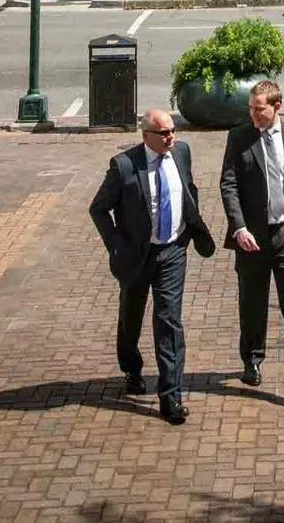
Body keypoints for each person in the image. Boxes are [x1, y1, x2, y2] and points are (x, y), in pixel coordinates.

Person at [89, 107, 216, 424]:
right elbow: (99, 209)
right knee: (131, 315)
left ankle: (171, 396)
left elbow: (189, 188)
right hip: (136, 255)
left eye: (172, 130)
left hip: (172, 251)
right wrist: (116, 246)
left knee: (168, 320)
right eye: (163, 133)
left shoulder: (182, 152)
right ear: (146, 135)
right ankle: (131, 367)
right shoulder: (124, 166)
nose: (171, 136)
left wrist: (187, 230)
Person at [220, 80, 284, 409]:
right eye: (250, 108)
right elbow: (229, 183)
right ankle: (252, 359)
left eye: (258, 108)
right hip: (252, 237)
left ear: (276, 107)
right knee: (253, 304)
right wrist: (238, 228)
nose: (253, 114)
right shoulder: (239, 137)